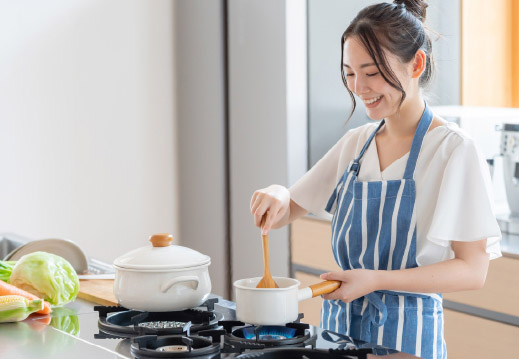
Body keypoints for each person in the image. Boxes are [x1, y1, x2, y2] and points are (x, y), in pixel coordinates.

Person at [249, 1, 502, 358]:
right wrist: (276, 194)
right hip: (338, 336)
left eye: (372, 72)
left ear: (416, 64)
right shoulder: (356, 144)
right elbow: (290, 207)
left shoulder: (453, 150)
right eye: (350, 73)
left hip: (408, 345)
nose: (359, 87)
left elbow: (473, 271)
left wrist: (378, 280)